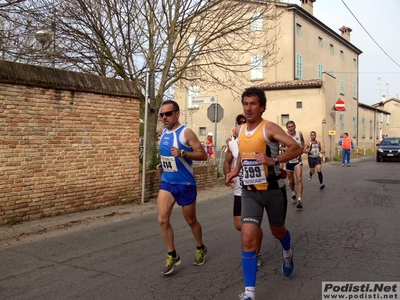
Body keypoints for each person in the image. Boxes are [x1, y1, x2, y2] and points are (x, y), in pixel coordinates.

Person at [225, 87, 303, 300]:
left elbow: (297, 148)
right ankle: (250, 293)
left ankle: (287, 252)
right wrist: (236, 171)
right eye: (245, 103)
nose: (248, 108)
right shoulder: (239, 130)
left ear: (262, 107)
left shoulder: (269, 128)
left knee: (278, 231)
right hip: (250, 192)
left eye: (253, 104)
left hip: (273, 191)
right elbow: (243, 153)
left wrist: (274, 160)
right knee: (247, 238)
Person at [157, 100, 208, 275]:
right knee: (162, 219)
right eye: (162, 114)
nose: (164, 117)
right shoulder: (163, 132)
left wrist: (184, 153)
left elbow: (203, 155)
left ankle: (200, 247)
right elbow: (168, 158)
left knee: (190, 220)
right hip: (167, 182)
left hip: (185, 184)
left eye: (168, 114)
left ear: (177, 114)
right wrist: (162, 164)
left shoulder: (186, 132)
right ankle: (172, 254)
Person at [223, 114, 263, 270]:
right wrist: (228, 175)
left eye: (243, 122)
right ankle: (256, 229)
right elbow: (227, 162)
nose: (241, 124)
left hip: (254, 188)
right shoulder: (232, 144)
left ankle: (257, 253)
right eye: (238, 122)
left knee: (250, 224)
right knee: (239, 225)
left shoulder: (257, 140)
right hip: (239, 189)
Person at [282, 120, 305, 209]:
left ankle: (299, 199)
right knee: (291, 181)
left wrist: (302, 149)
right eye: (289, 127)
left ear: (294, 126)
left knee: (299, 179)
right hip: (288, 161)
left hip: (297, 160)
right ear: (287, 128)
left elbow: (302, 141)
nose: (291, 128)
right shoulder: (285, 136)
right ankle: (293, 193)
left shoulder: (299, 134)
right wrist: (287, 150)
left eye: (292, 126)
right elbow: (279, 146)